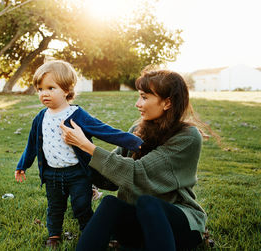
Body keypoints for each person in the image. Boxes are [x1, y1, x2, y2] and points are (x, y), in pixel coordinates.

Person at [60, 69, 213, 251]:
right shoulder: (137, 130)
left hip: (179, 227)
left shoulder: (187, 136)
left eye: (144, 97)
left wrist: (88, 147)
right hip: (138, 224)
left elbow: (138, 173)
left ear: (167, 102)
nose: (137, 103)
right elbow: (109, 179)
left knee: (148, 202)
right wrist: (77, 149)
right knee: (110, 203)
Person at [14, 60, 143, 248]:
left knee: (81, 206)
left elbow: (104, 130)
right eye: (40, 89)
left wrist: (134, 142)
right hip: (51, 173)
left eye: (51, 87)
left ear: (66, 90)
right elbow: (32, 144)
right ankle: (54, 236)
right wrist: (22, 165)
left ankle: (91, 233)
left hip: (78, 173)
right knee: (55, 207)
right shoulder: (40, 117)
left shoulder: (78, 115)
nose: (44, 93)